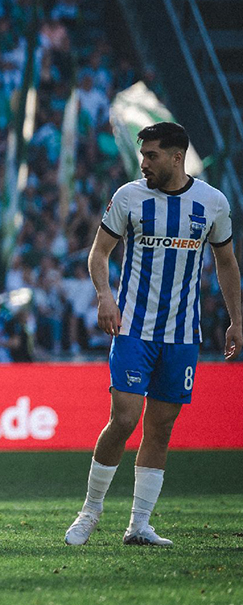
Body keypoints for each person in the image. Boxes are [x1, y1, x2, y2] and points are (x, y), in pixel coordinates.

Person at [64, 122, 241, 547]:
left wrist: (238, 319)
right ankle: (90, 511)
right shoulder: (129, 197)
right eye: (142, 155)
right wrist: (105, 296)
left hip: (182, 334)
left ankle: (139, 524)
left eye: (151, 155)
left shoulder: (212, 202)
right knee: (124, 418)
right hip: (133, 328)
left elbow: (227, 263)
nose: (143, 163)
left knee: (160, 428)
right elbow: (99, 253)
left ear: (177, 157)